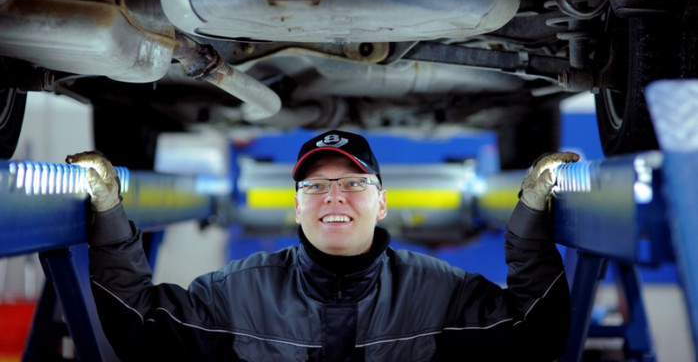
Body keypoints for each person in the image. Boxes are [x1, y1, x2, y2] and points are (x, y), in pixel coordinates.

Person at [66, 129, 579, 362]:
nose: (334, 196)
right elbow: (139, 329)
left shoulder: (440, 293)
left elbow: (537, 335)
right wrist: (109, 214)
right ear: (296, 207)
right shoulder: (236, 293)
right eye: (315, 186)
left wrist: (530, 218)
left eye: (354, 183)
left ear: (381, 204)